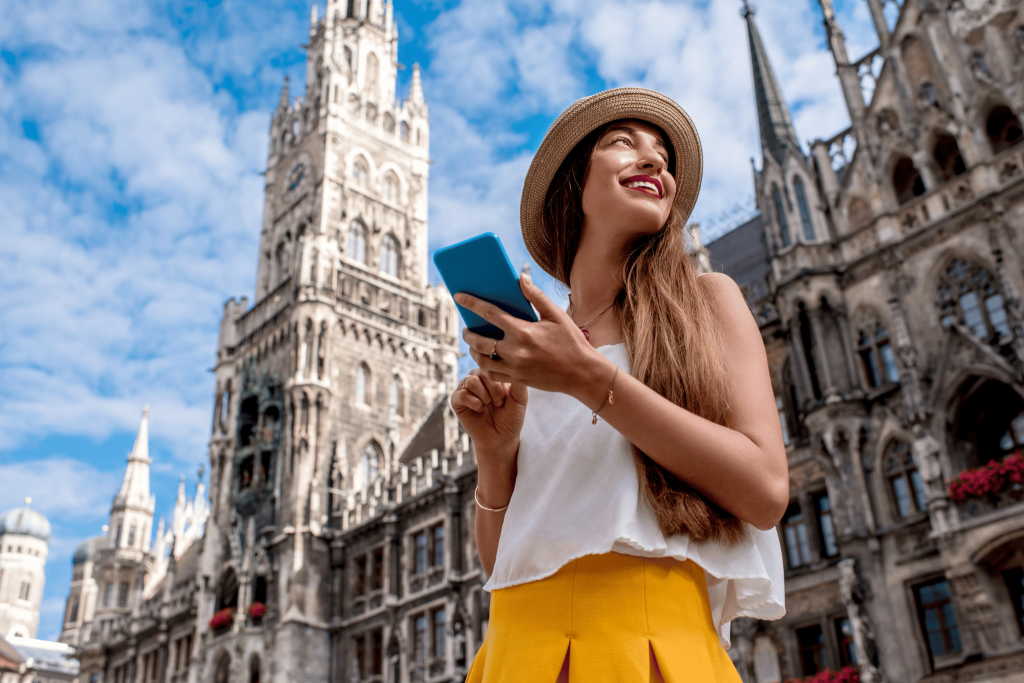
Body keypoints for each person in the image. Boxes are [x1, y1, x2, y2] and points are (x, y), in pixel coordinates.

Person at [450, 88, 788, 682]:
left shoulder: (709, 301)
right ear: (574, 185)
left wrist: (586, 375)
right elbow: (504, 563)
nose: (655, 160)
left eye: (664, 155)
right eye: (624, 142)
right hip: (513, 653)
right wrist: (494, 453)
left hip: (654, 649)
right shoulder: (535, 351)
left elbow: (765, 490)